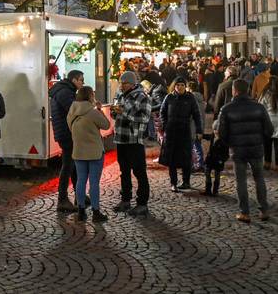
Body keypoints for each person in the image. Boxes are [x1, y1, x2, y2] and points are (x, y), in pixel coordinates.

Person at [217, 79, 273, 223]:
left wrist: (231, 143)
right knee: (259, 178)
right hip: (256, 148)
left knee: (241, 180)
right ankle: (264, 210)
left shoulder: (227, 109)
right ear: (247, 90)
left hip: (238, 149)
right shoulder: (259, 107)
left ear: (234, 91)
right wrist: (260, 140)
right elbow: (269, 130)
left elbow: (222, 133)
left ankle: (245, 212)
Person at [111, 70, 152, 216]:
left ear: (132, 83)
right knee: (124, 171)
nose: (122, 86)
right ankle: (125, 200)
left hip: (134, 140)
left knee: (139, 172)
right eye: (121, 83)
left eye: (124, 83)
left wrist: (124, 113)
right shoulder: (120, 94)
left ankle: (142, 203)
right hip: (121, 139)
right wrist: (114, 111)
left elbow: (145, 119)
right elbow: (115, 114)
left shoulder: (143, 97)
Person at [67, 85, 110, 222]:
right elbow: (106, 125)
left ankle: (81, 211)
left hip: (78, 151)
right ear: (90, 96)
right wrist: (99, 109)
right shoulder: (92, 112)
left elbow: (70, 127)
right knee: (94, 182)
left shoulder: (72, 111)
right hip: (95, 152)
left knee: (80, 180)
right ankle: (96, 212)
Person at [49, 68, 85, 212]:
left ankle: (79, 194)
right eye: (81, 80)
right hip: (67, 133)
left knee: (73, 164)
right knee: (68, 165)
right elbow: (75, 111)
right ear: (74, 80)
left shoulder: (64, 90)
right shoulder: (65, 92)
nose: (83, 83)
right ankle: (62, 199)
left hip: (65, 132)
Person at [159, 77, 202, 192]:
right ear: (174, 86)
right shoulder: (169, 97)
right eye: (178, 85)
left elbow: (197, 115)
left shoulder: (190, 98)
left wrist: (199, 130)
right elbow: (162, 112)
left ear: (185, 86)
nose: (180, 87)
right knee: (172, 159)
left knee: (186, 157)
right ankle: (173, 183)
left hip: (185, 131)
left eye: (182, 85)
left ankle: (186, 182)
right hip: (171, 131)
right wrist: (165, 124)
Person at [203, 131, 229, 196]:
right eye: (214, 129)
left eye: (217, 130)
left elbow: (226, 154)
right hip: (210, 159)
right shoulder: (212, 135)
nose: (215, 131)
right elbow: (207, 136)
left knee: (217, 175)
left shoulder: (224, 140)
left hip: (218, 161)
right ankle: (208, 190)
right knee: (207, 172)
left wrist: (221, 160)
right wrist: (201, 135)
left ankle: (215, 191)